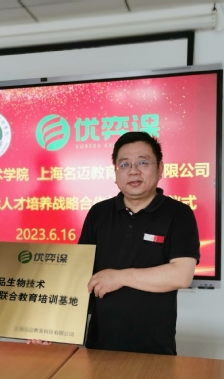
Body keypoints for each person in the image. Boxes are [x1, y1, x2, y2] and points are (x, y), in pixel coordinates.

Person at [78, 131, 200, 355]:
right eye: (124, 164)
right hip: (99, 346)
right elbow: (78, 273)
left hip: (154, 350)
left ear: (160, 168)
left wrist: (120, 277)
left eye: (143, 162)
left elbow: (181, 275)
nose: (133, 171)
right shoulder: (98, 213)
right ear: (115, 172)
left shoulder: (178, 214)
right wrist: (51, 326)